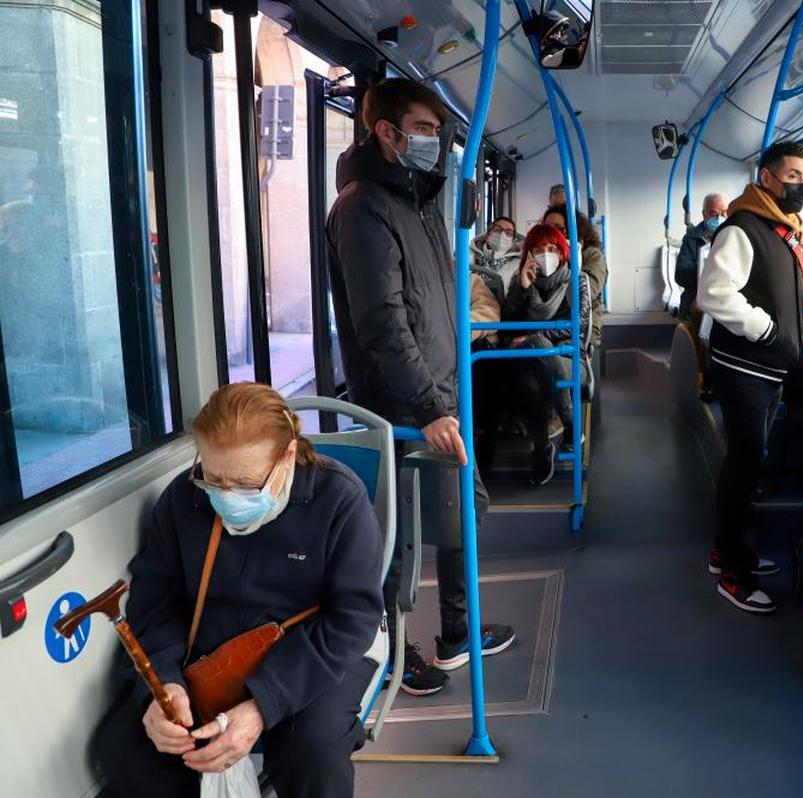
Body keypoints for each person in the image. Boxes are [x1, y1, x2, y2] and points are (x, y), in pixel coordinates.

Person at [95, 383, 384, 797]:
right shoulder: (183, 498)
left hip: (314, 651)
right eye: (213, 479)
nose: (226, 496)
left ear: (287, 456)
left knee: (311, 752)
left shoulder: (339, 499)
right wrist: (164, 685)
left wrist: (263, 706)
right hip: (212, 656)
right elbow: (155, 604)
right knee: (127, 748)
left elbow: (352, 618)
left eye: (245, 483)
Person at [324, 77, 513, 696]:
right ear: (386, 131)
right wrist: (430, 405)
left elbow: (435, 301)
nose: (435, 142)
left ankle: (457, 633)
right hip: (402, 403)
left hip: (440, 390)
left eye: (438, 130)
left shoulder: (418, 201)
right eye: (426, 130)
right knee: (396, 537)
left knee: (464, 514)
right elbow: (381, 319)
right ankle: (392, 654)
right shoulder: (363, 207)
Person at [696, 139, 803, 614]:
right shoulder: (743, 228)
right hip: (746, 365)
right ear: (765, 178)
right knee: (745, 463)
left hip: (770, 367)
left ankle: (728, 550)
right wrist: (769, 330)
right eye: (792, 177)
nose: (800, 186)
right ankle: (732, 570)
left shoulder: (784, 230)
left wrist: (796, 322)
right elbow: (714, 293)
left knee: (750, 463)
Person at [501, 223, 592, 485]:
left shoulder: (577, 281)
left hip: (568, 357)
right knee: (529, 379)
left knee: (537, 349)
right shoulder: (521, 280)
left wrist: (534, 338)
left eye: (552, 249)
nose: (545, 254)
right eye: (539, 249)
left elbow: (580, 327)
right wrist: (523, 288)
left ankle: (547, 444)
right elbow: (507, 323)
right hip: (525, 361)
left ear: (562, 252)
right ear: (529, 253)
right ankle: (554, 438)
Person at [543, 204, 607, 350]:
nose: (551, 233)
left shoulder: (592, 256)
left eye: (558, 228)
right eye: (547, 229)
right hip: (548, 324)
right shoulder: (542, 256)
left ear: (573, 230)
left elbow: (584, 294)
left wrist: (569, 260)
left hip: (580, 328)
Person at [675, 192, 728, 321]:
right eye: (714, 214)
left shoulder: (732, 237)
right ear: (704, 215)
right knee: (698, 309)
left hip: (725, 294)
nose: (719, 218)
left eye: (723, 214)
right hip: (696, 294)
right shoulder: (691, 239)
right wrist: (707, 269)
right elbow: (681, 275)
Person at [470, 215, 522, 301]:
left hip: (498, 309)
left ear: (512, 241)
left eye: (508, 233)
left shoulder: (518, 265)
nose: (502, 235)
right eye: (497, 230)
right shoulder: (469, 255)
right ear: (487, 236)